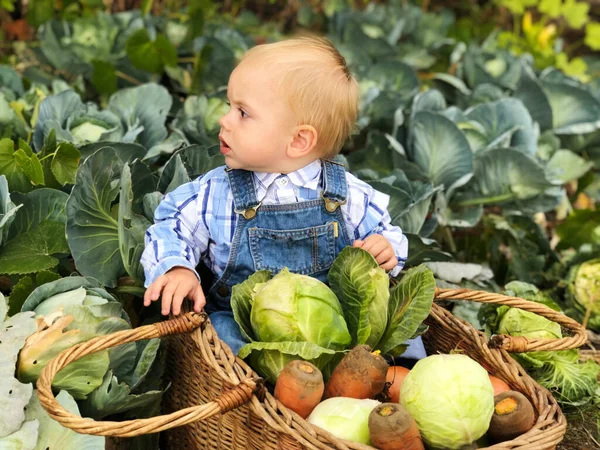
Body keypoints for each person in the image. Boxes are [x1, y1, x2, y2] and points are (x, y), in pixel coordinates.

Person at [140, 36, 425, 359]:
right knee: (219, 337)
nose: (225, 120)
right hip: (244, 325)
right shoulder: (216, 193)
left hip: (334, 335)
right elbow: (171, 225)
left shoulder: (346, 195)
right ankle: (257, 396)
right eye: (229, 106)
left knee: (401, 337)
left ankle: (396, 378)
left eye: (243, 113)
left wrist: (385, 249)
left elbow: (387, 235)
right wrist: (177, 268)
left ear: (300, 140)